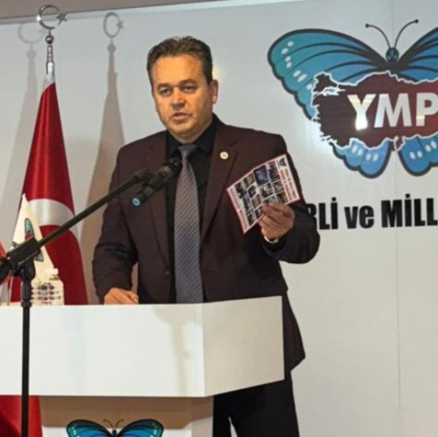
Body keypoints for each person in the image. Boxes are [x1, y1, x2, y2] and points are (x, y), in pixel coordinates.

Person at [92, 36, 320, 437]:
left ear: (212, 90)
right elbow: (113, 247)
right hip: (171, 351)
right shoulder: (134, 161)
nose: (177, 100)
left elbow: (306, 240)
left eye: (188, 87)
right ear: (154, 97)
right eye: (165, 91)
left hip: (252, 349)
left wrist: (280, 234)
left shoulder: (258, 149)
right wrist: (111, 286)